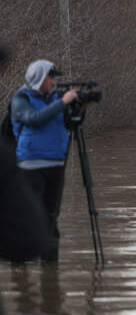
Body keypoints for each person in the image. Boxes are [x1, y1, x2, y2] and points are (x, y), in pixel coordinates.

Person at [9, 59, 78, 261]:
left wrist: (77, 108)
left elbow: (67, 124)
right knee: (29, 217)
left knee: (51, 217)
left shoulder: (54, 99)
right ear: (38, 78)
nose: (53, 81)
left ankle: (50, 271)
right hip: (30, 166)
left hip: (55, 165)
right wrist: (62, 102)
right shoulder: (21, 99)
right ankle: (19, 263)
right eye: (50, 77)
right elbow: (34, 119)